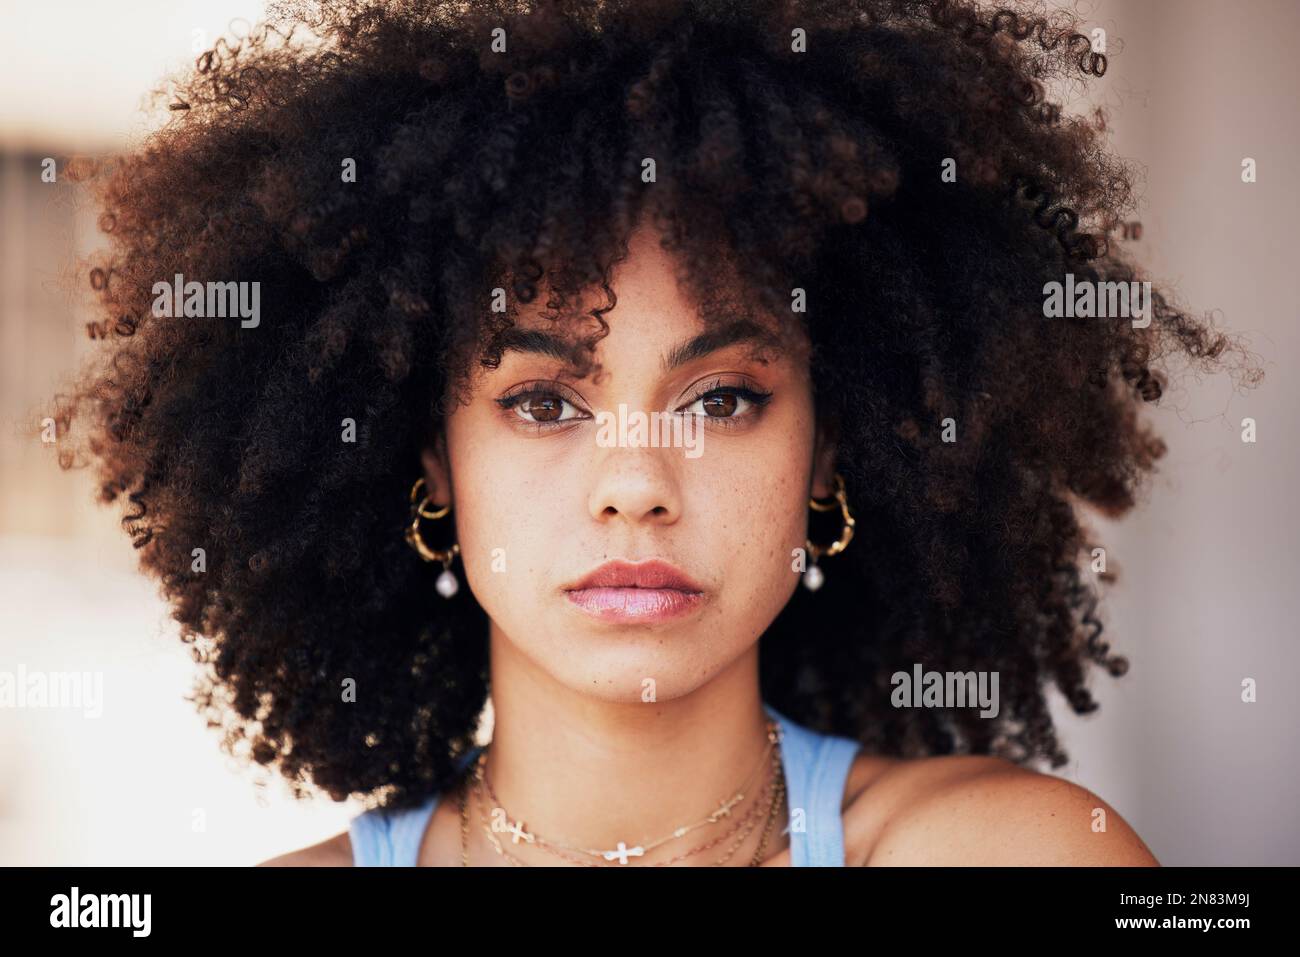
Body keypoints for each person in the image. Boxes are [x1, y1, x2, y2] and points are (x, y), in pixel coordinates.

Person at [51, 0, 1255, 866]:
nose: (635, 483)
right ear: (431, 466)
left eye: (723, 398)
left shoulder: (1015, 857)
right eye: (542, 402)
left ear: (831, 451)